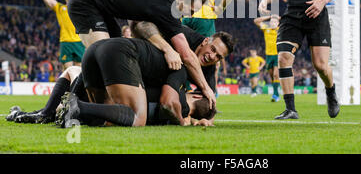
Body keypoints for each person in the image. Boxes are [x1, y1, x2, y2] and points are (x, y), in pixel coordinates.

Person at [68, 0, 216, 108]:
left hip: (101, 8)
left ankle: (70, 105)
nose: (189, 15)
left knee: (109, 53)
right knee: (102, 58)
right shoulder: (169, 9)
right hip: (85, 3)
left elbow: (136, 22)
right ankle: (66, 105)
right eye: (190, 10)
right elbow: (187, 55)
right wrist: (206, 88)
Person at [57, 27, 234, 127]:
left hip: (99, 49)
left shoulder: (207, 70)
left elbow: (210, 97)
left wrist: (207, 119)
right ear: (205, 41)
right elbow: (168, 102)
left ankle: (53, 113)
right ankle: (77, 107)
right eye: (213, 50)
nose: (213, 57)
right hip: (123, 54)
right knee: (136, 117)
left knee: (74, 73)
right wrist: (184, 121)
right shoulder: (181, 52)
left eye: (219, 57)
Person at [166, 0, 235, 93]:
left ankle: (184, 89)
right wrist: (218, 8)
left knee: (183, 54)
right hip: (205, 18)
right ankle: (210, 95)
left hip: (184, 18)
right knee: (211, 58)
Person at [42, 0, 85, 69]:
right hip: (65, 42)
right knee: (67, 70)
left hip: (79, 42)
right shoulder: (60, 8)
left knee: (79, 69)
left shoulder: (81, 8)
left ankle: (77, 82)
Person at [254, 14, 281, 101]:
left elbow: (287, 22)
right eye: (271, 21)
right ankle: (276, 91)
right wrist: (270, 16)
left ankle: (275, 95)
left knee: (276, 74)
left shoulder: (280, 30)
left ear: (278, 23)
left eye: (275, 21)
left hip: (277, 55)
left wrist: (279, 18)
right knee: (271, 75)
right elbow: (256, 21)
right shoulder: (266, 29)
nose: (273, 23)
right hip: (269, 56)